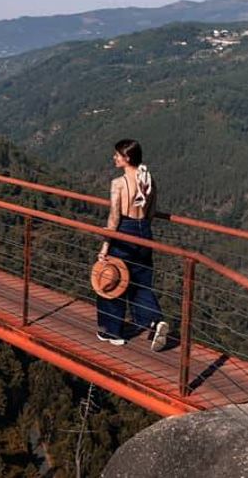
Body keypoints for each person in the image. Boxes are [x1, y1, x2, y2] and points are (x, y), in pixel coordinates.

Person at [96, 139, 170, 351]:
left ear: (127, 158)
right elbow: (153, 211)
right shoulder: (148, 180)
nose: (114, 158)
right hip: (144, 231)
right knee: (141, 281)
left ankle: (112, 331)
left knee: (113, 279)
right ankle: (155, 320)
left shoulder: (118, 184)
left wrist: (105, 247)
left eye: (117, 155)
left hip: (124, 231)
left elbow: (113, 218)